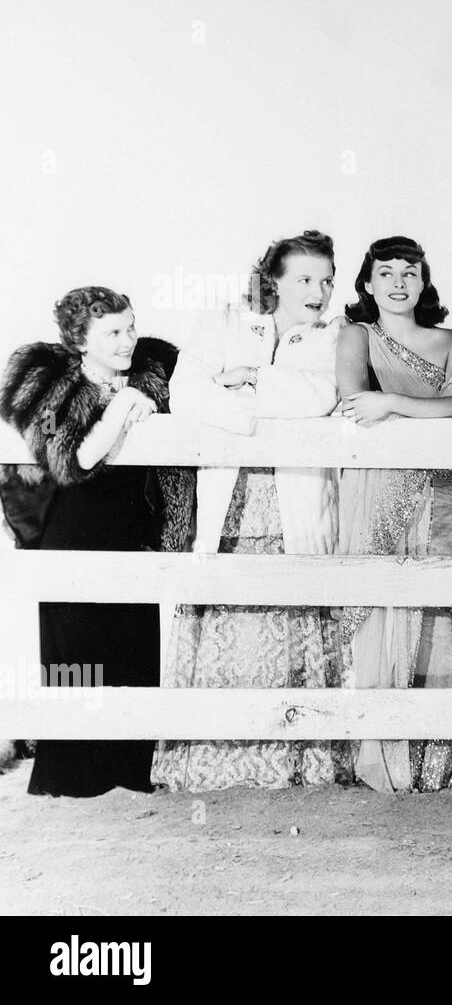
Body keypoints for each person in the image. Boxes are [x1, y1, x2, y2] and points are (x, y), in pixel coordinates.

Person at [152, 230, 345, 792]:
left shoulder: (337, 335)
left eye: (327, 279)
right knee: (226, 624)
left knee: (292, 620)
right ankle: (211, 766)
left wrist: (249, 382)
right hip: (229, 507)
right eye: (305, 278)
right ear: (273, 280)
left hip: (297, 506)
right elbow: (187, 393)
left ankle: (296, 766)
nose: (319, 291)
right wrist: (255, 415)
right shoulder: (224, 321)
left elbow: (321, 396)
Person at [0, 287, 193, 797]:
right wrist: (127, 403)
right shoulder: (46, 384)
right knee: (77, 649)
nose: (128, 339)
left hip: (131, 529)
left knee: (132, 642)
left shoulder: (157, 370)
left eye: (131, 327)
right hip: (71, 530)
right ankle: (74, 774)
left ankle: (130, 769)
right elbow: (77, 460)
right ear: (78, 340)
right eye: (112, 331)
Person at [334, 236, 452, 793]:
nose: (398, 282)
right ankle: (384, 756)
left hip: (446, 487)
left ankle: (437, 758)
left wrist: (391, 402)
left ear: (424, 282)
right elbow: (352, 402)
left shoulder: (451, 340)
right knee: (381, 605)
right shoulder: (357, 336)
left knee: (436, 604)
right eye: (386, 272)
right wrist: (428, 405)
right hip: (381, 486)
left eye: (410, 272)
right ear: (367, 283)